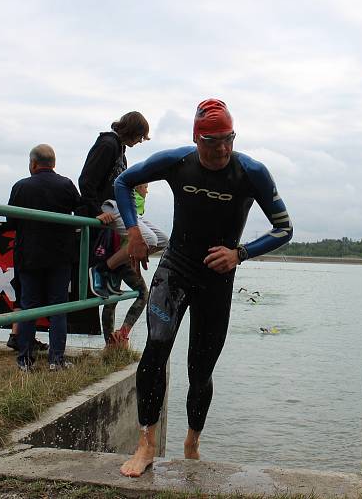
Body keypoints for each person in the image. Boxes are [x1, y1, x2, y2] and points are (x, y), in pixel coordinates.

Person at [115, 98, 293, 477]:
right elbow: (123, 180)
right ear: (197, 139)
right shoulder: (178, 162)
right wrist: (132, 231)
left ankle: (192, 443)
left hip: (218, 278)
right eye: (212, 142)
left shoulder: (252, 172)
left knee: (201, 370)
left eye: (228, 139)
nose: (222, 149)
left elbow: (284, 228)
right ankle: (147, 440)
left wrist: (239, 253)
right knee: (156, 349)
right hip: (175, 269)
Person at [8, 144, 104, 372]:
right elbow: (82, 211)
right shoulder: (65, 185)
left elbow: (11, 222)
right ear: (53, 163)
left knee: (28, 306)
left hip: (28, 256)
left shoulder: (21, 186)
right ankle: (56, 359)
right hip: (60, 256)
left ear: (33, 163)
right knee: (58, 307)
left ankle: (25, 360)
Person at [79, 111, 150, 298]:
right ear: (132, 131)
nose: (140, 141)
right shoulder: (107, 144)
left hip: (115, 207)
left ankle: (109, 269)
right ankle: (101, 269)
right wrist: (96, 212)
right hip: (103, 209)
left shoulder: (120, 151)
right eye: (140, 136)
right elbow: (86, 181)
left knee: (159, 239)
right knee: (147, 239)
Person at [101, 182, 167, 348]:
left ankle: (112, 341)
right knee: (141, 294)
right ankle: (119, 337)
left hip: (119, 254)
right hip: (120, 256)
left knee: (112, 299)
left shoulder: (136, 205)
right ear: (136, 189)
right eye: (145, 187)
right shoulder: (132, 201)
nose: (147, 190)